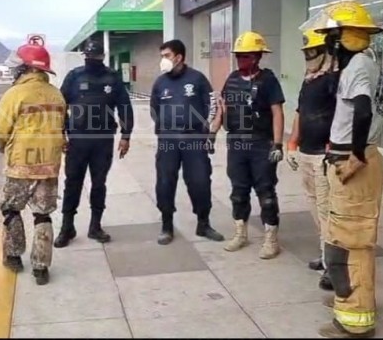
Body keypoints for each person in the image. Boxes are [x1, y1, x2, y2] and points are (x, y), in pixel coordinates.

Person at [302, 1, 383, 339]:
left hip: (353, 162)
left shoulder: (357, 68)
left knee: (350, 243)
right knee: (343, 238)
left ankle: (354, 320)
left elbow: (362, 111)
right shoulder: (361, 64)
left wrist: (355, 157)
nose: (326, 45)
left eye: (330, 38)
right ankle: (350, 298)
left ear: (344, 38)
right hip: (346, 156)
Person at [0, 37, 66, 286]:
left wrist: (4, 149)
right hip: (49, 166)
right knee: (43, 214)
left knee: (11, 208)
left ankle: (13, 256)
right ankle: (41, 268)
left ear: (26, 68)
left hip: (20, 167)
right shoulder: (56, 94)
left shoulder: (15, 94)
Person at [210, 31, 285, 259]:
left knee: (266, 193)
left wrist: (278, 144)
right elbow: (223, 108)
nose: (240, 60)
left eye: (245, 56)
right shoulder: (232, 79)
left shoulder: (268, 80)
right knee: (238, 192)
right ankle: (240, 233)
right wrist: (212, 133)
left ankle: (271, 239)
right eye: (238, 56)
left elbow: (277, 112)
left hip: (261, 143)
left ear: (257, 57)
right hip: (236, 144)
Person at [54, 39, 134, 247]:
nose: (91, 59)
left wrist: (126, 136)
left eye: (95, 56)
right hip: (77, 140)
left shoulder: (112, 78)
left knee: (99, 184)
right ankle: (67, 227)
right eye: (88, 56)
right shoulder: (74, 76)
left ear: (102, 57)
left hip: (102, 141)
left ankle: (95, 226)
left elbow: (124, 107)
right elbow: (60, 106)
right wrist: (61, 133)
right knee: (72, 183)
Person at [150, 39, 224, 245]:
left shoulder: (197, 79)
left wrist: (207, 130)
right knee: (165, 182)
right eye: (162, 56)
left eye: (166, 56)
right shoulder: (160, 82)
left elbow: (211, 106)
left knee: (200, 181)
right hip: (168, 140)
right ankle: (166, 225)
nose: (163, 60)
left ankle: (203, 223)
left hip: (194, 139)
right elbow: (154, 109)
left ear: (179, 57)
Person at [286, 29, 338, 288]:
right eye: (306, 53)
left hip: (323, 155)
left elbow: (342, 115)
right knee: (314, 206)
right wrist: (292, 143)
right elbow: (300, 112)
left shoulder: (333, 80)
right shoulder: (309, 81)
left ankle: (333, 265)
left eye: (312, 52)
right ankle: (325, 253)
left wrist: (334, 146)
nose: (308, 57)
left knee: (326, 209)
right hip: (307, 151)